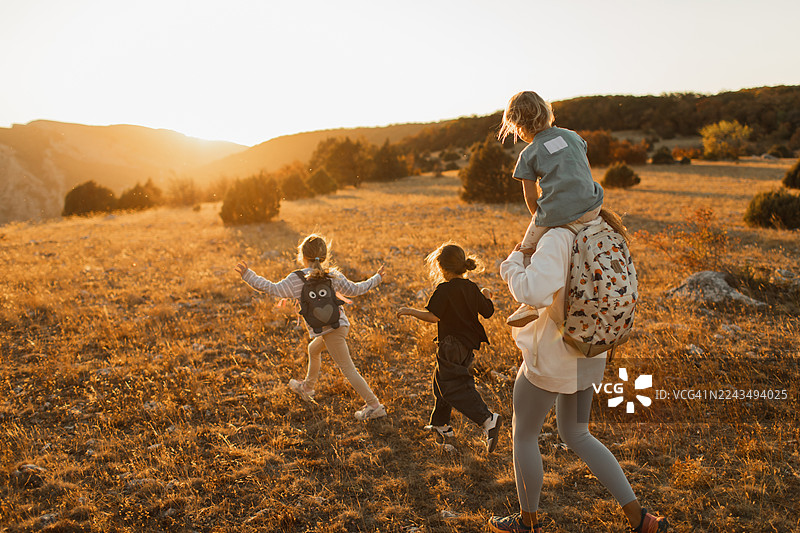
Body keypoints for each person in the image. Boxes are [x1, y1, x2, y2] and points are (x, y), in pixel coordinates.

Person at [488, 209, 668, 533]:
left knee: (524, 433)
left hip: (554, 353)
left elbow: (531, 291)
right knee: (577, 434)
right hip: (591, 348)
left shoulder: (559, 237)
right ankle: (640, 519)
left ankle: (527, 523)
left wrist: (512, 264)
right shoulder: (603, 225)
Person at [234, 234, 387, 421]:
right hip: (339, 325)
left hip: (331, 332)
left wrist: (248, 276)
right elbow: (356, 289)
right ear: (324, 256)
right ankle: (307, 387)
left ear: (302, 255)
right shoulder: (333, 275)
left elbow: (272, 288)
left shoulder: (297, 279)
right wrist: (377, 278)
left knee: (348, 368)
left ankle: (374, 405)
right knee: (313, 349)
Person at [498, 90, 604, 328]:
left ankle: (529, 305)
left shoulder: (528, 153)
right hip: (593, 205)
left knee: (526, 248)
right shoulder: (572, 136)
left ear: (518, 126)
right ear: (547, 112)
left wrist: (540, 221)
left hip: (559, 214)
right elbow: (582, 168)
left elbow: (530, 197)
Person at [397, 242, 502, 453]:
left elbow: (433, 316)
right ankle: (441, 424)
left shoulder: (444, 290)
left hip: (451, 345)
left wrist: (410, 311)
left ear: (442, 268)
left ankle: (487, 419)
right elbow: (488, 312)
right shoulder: (471, 287)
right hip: (467, 346)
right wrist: (487, 296)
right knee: (441, 380)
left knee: (453, 386)